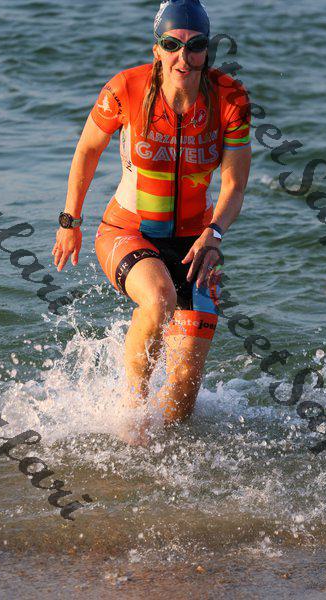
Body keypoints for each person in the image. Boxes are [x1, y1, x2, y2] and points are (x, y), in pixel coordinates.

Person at [52, 0, 251, 445]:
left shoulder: (230, 98)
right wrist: (70, 220)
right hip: (126, 231)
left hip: (197, 243)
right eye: (172, 45)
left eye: (195, 46)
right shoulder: (126, 88)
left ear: (207, 51)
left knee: (184, 392)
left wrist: (214, 234)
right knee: (159, 298)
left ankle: (161, 464)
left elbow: (235, 185)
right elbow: (87, 150)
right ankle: (132, 413)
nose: (184, 57)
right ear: (156, 48)